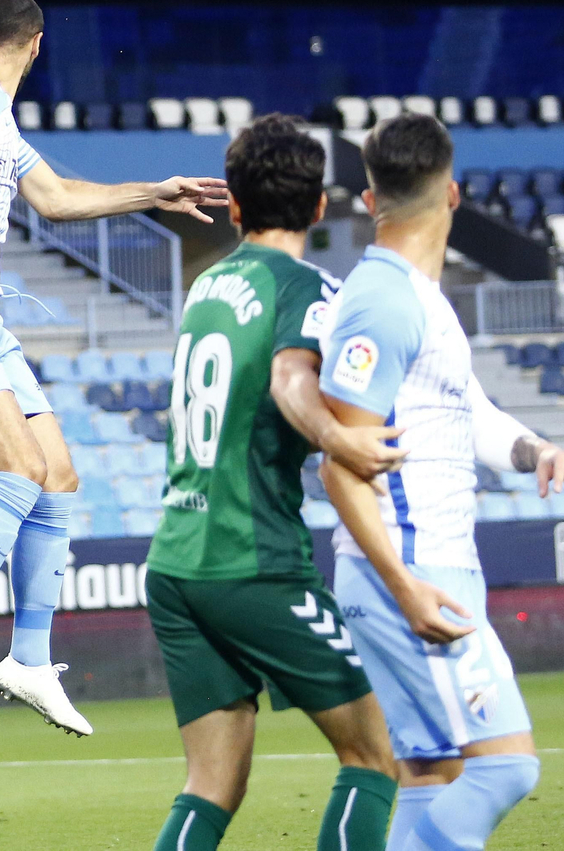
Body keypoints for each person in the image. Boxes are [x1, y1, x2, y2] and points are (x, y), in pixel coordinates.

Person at [0, 0, 226, 732]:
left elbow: (59, 199)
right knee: (19, 470)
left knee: (58, 474)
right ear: (38, 47)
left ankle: (30, 659)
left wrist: (153, 193)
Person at [145, 115, 404, 851]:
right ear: (320, 207)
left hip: (176, 562)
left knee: (212, 783)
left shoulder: (207, 285)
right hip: (251, 560)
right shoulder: (307, 289)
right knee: (373, 754)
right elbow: (293, 378)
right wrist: (337, 434)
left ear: (234, 204)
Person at [319, 114, 546, 851]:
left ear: (367, 197)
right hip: (411, 571)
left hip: (425, 567)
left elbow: (462, 409)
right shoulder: (381, 302)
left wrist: (532, 448)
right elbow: (339, 458)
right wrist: (405, 585)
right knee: (505, 770)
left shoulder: (416, 299)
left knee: (434, 773)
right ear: (452, 195)